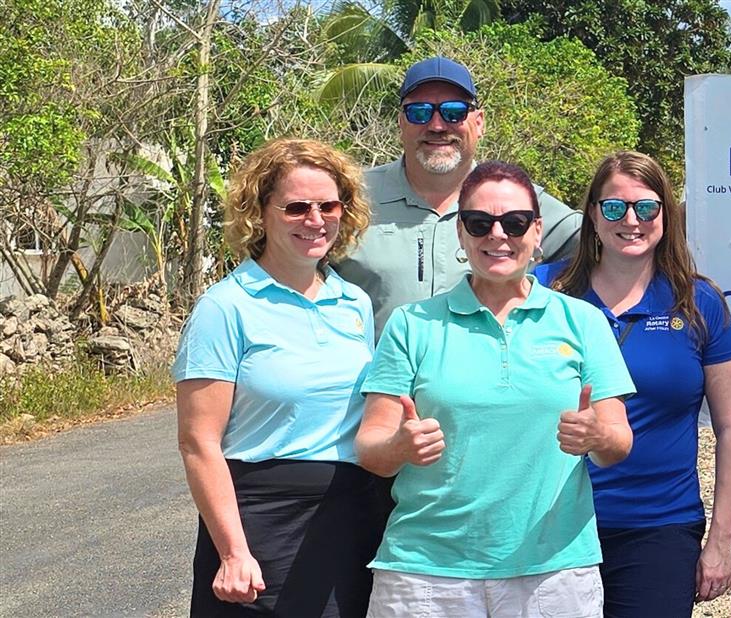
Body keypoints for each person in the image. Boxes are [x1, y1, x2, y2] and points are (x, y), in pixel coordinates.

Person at [355, 161, 636, 617]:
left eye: (515, 222)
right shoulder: (412, 324)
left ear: (537, 230)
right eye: (479, 223)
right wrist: (399, 446)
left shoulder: (582, 321)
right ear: (461, 233)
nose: (498, 235)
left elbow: (618, 442)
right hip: (427, 574)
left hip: (552, 573)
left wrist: (597, 436)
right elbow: (371, 448)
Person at [172, 138, 391, 617]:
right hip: (258, 524)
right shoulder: (225, 307)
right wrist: (234, 552)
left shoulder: (354, 303)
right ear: (259, 214)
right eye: (296, 207)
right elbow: (198, 443)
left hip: (350, 518)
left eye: (328, 205)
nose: (315, 220)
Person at [534, 152, 731, 617]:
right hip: (546, 524)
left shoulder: (698, 302)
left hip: (658, 526)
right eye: (614, 207)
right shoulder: (544, 291)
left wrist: (720, 540)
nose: (631, 221)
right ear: (593, 216)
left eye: (646, 207)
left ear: (665, 215)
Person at [337, 56, 584, 325]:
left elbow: (604, 239)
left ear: (479, 123)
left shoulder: (521, 202)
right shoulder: (349, 195)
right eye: (419, 112)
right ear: (401, 122)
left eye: (454, 111)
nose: (437, 126)